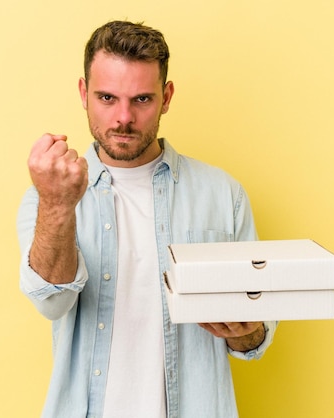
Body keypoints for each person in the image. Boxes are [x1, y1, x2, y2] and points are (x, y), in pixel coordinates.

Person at [17, 20, 277, 418]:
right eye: (106, 97)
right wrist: (58, 203)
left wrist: (247, 332)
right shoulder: (48, 196)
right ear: (84, 93)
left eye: (141, 100)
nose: (123, 117)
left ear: (167, 96)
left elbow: (257, 337)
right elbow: (53, 303)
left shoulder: (224, 194)